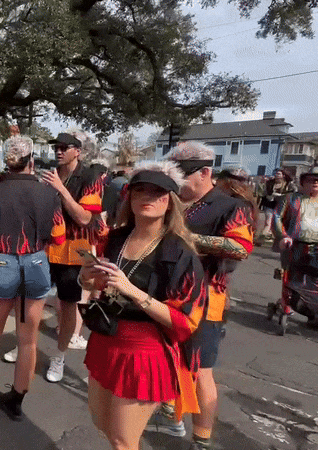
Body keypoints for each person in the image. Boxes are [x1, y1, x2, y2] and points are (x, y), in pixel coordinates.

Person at [79, 161, 207, 450]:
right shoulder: (114, 239)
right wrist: (87, 277)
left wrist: (132, 291)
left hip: (144, 352)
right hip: (105, 340)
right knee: (102, 423)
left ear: (170, 201)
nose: (147, 199)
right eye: (140, 192)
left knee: (123, 441)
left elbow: (186, 321)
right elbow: (93, 285)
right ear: (130, 198)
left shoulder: (180, 254)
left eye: (157, 193)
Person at [146, 142, 253, 450]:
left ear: (205, 172)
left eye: (182, 173)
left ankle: (201, 440)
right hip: (170, 294)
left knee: (201, 369)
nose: (176, 180)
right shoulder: (178, 201)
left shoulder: (230, 205)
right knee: (170, 358)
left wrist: (187, 238)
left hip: (206, 298)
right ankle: (172, 412)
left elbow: (241, 248)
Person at [0, 135, 65, 421]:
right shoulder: (49, 194)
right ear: (31, 161)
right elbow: (58, 237)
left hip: (3, 261)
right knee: (28, 339)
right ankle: (16, 401)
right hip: (36, 262)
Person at [39, 132, 106, 383]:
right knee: (30, 298)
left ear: (77, 151)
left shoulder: (90, 177)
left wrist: (61, 190)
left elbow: (85, 218)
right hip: (46, 247)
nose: (58, 151)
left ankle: (59, 356)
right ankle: (26, 344)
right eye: (57, 147)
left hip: (74, 250)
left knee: (67, 306)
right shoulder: (50, 172)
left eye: (64, 147)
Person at [273, 167, 318, 320]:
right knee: (290, 275)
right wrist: (283, 236)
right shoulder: (290, 199)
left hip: (316, 247)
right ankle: (287, 304)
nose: (316, 182)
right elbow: (277, 218)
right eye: (311, 179)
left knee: (314, 280)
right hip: (294, 244)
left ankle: (312, 310)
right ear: (303, 182)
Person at [258, 169, 295, 241]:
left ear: (283, 175)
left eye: (279, 174)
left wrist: (282, 195)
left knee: (276, 223)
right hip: (269, 204)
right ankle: (260, 239)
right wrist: (270, 195)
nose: (277, 175)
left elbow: (293, 192)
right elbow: (264, 193)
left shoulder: (288, 184)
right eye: (276, 173)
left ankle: (275, 238)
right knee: (268, 222)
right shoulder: (270, 183)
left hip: (281, 205)